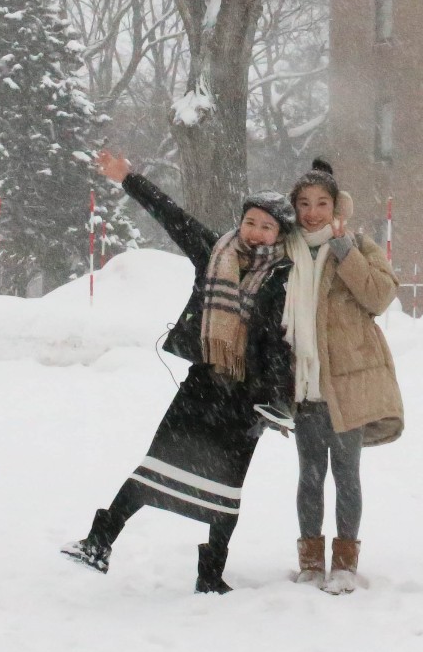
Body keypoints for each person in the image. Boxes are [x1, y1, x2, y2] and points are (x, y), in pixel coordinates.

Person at [62, 151, 294, 594]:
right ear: (241, 222)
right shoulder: (215, 251)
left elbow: (284, 341)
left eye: (267, 226)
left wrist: (278, 398)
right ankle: (99, 542)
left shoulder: (286, 274)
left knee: (227, 487)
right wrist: (128, 177)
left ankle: (210, 576)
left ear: (280, 233)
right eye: (251, 222)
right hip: (205, 383)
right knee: (155, 465)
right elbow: (172, 217)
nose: (257, 231)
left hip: (247, 394)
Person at [281, 158, 404, 595]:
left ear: (337, 206)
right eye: (304, 203)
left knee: (347, 473)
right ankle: (311, 561)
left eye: (321, 202)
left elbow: (379, 295)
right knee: (310, 474)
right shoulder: (284, 249)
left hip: (346, 381)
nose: (312, 212)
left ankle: (346, 564)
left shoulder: (357, 244)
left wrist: (344, 251)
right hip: (303, 383)